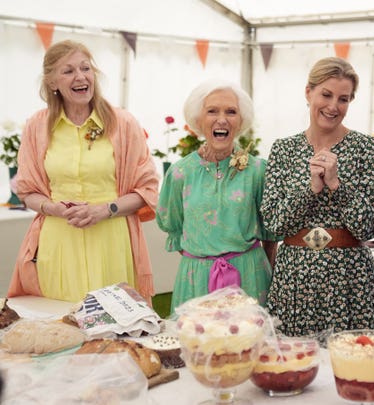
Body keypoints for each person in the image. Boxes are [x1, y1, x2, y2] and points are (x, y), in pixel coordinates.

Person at [8, 40, 158, 303]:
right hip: (59, 239)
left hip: (111, 238)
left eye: (85, 68)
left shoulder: (123, 123)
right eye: (68, 71)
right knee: (61, 323)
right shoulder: (36, 126)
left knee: (115, 325)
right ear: (52, 83)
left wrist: (105, 209)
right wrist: (54, 208)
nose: (80, 77)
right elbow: (27, 191)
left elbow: (147, 190)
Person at [260, 57, 374, 337]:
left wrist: (336, 185)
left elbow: (370, 226)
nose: (333, 107)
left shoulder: (367, 148)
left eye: (343, 99)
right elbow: (274, 224)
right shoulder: (283, 149)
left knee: (354, 367)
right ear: (309, 92)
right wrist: (310, 190)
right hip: (294, 278)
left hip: (350, 279)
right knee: (293, 369)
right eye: (326, 95)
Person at [156, 78, 277, 313]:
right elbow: (174, 228)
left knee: (250, 345)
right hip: (196, 280)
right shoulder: (180, 173)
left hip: (250, 277)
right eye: (212, 111)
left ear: (241, 121)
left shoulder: (258, 170)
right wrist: (205, 258)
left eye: (231, 111)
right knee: (195, 346)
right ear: (198, 120)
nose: (222, 119)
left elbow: (270, 235)